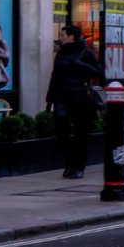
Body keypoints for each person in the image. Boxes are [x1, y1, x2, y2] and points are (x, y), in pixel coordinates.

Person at [45, 23, 102, 179]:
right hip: (61, 97)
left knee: (80, 134)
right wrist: (49, 99)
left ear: (72, 37)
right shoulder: (61, 54)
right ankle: (69, 163)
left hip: (80, 98)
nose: (61, 38)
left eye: (63, 35)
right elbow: (54, 76)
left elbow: (98, 72)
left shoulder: (86, 53)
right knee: (60, 132)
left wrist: (82, 65)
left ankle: (79, 166)